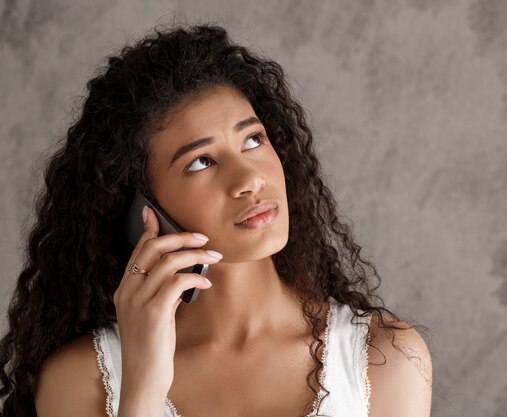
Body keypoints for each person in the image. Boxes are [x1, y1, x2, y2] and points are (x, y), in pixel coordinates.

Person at [0, 23, 432, 417]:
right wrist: (144, 389)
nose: (249, 179)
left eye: (252, 139)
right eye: (201, 161)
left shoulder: (385, 359)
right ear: (140, 209)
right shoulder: (79, 381)